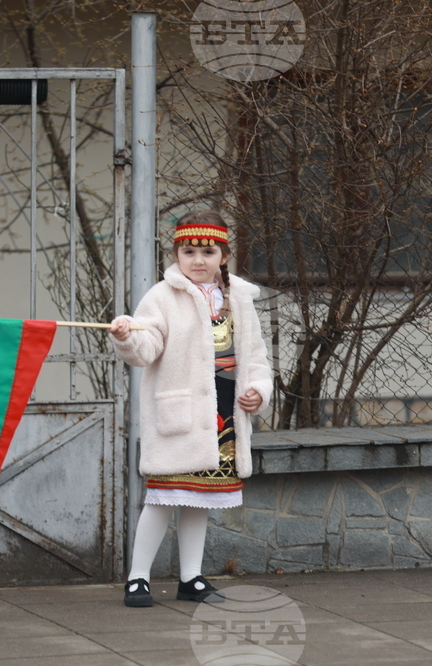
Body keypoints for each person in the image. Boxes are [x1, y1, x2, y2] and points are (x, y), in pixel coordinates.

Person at [108, 210, 273, 607]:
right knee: (163, 497)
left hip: (224, 413)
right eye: (188, 251)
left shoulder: (240, 299)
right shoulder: (161, 298)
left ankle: (191, 579)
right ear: (177, 255)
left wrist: (258, 392)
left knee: (201, 498)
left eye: (207, 251)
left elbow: (256, 358)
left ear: (223, 255)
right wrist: (127, 336)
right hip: (182, 414)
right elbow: (146, 351)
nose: (198, 260)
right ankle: (137, 578)